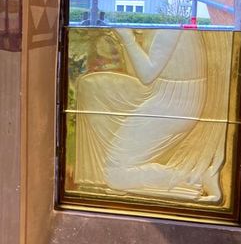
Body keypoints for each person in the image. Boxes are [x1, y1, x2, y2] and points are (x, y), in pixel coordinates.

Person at [74, 28, 213, 200]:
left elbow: (147, 75)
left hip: (174, 105)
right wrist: (127, 40)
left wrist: (128, 38)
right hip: (160, 94)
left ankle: (193, 176)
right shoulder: (157, 24)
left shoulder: (170, 28)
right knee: (90, 86)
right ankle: (93, 177)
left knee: (116, 174)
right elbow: (139, 75)